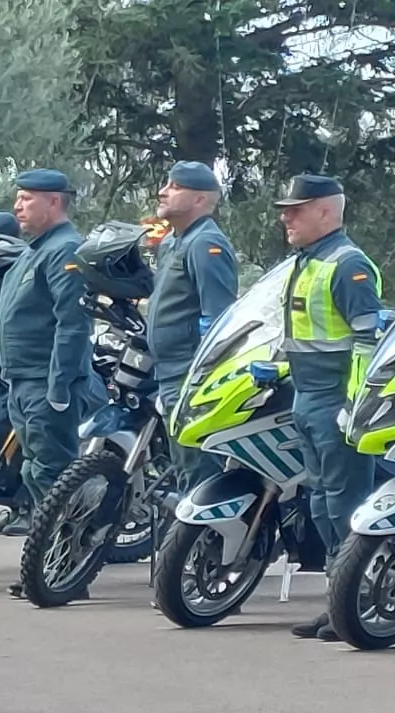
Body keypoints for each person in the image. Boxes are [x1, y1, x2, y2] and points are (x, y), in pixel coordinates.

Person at [268, 175, 383, 642]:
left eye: (297, 209)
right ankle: (339, 598)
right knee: (320, 502)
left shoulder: (346, 264)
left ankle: (358, 600)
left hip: (334, 400)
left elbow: (366, 341)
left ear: (326, 213)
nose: (286, 217)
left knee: (345, 504)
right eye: (286, 209)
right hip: (306, 396)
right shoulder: (306, 262)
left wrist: (353, 403)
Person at [0, 169, 103, 596]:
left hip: (45, 382)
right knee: (36, 473)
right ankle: (49, 562)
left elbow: (71, 324)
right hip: (22, 381)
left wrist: (60, 386)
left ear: (54, 202)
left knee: (54, 473)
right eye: (18, 198)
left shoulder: (64, 251)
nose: (17, 206)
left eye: (27, 198)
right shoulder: (34, 251)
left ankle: (67, 568)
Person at [146, 161, 240, 491]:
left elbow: (219, 318)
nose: (163, 191)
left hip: (189, 375)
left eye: (174, 187)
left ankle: (200, 543)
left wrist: (202, 377)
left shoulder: (206, 244)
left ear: (200, 200)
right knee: (184, 467)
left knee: (198, 471)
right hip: (168, 372)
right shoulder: (173, 242)